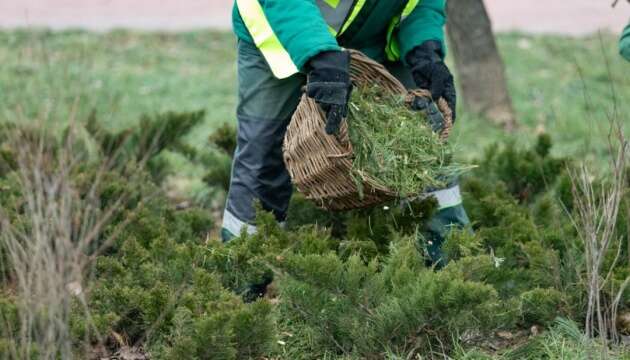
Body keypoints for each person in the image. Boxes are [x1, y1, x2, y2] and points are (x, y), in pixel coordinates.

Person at [223, 0, 469, 268]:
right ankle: (241, 279)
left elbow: (421, 3)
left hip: (373, 34)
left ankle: (453, 266)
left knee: (423, 145)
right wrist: (319, 55)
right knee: (263, 156)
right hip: (280, 31)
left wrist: (425, 50)